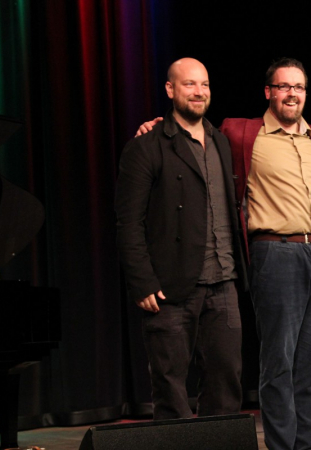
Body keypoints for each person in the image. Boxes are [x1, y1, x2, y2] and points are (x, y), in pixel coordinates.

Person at [136, 57, 311, 450]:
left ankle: (306, 445)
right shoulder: (240, 132)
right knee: (278, 363)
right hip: (276, 254)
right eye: (283, 86)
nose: (291, 94)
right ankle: (281, 445)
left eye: (298, 87)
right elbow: (187, 129)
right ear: (269, 92)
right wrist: (154, 126)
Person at [115, 58, 246, 420]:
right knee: (170, 387)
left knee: (226, 382)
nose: (199, 92)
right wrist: (142, 282)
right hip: (171, 287)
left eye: (204, 84)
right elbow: (128, 223)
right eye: (189, 84)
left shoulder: (222, 141)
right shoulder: (146, 146)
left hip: (224, 282)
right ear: (170, 90)